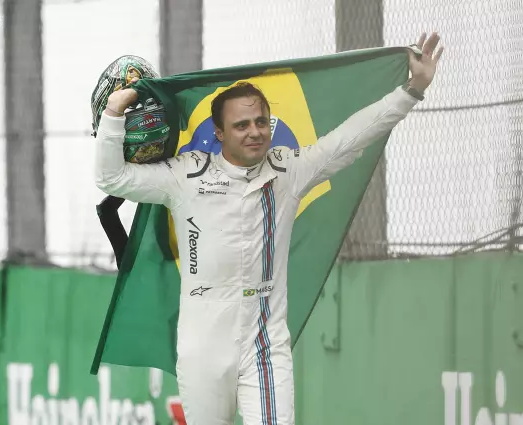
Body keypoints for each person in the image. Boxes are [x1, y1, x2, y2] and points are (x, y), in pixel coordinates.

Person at [94, 33, 444, 425]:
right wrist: (112, 113)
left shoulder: (288, 171)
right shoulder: (186, 175)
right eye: (241, 124)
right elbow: (112, 179)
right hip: (202, 345)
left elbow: (350, 139)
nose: (255, 131)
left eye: (261, 121)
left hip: (264, 343)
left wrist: (412, 90)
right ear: (220, 133)